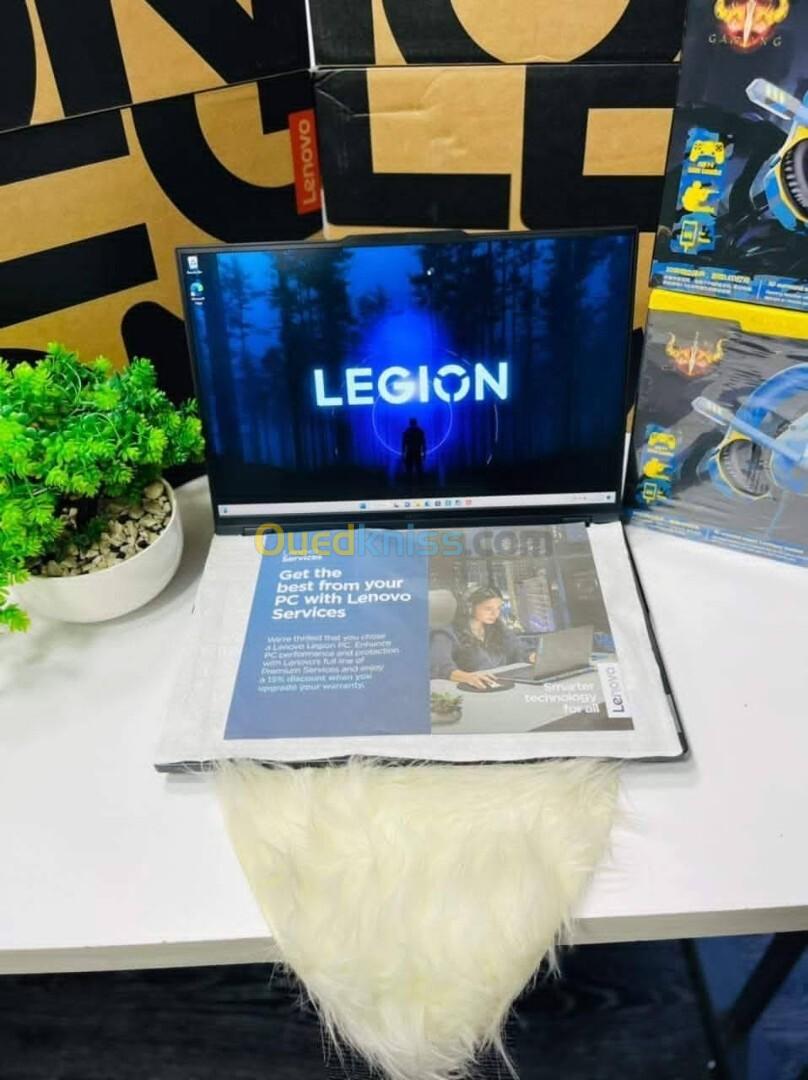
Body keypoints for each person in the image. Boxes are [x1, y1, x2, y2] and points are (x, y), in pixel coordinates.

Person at [430, 586, 535, 690]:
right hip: (473, 690)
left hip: (500, 685)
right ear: (469, 608)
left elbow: (517, 647)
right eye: (488, 609)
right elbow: (440, 665)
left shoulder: (498, 628)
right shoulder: (446, 634)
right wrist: (467, 677)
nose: (495, 614)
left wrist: (531, 656)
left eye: (498, 608)